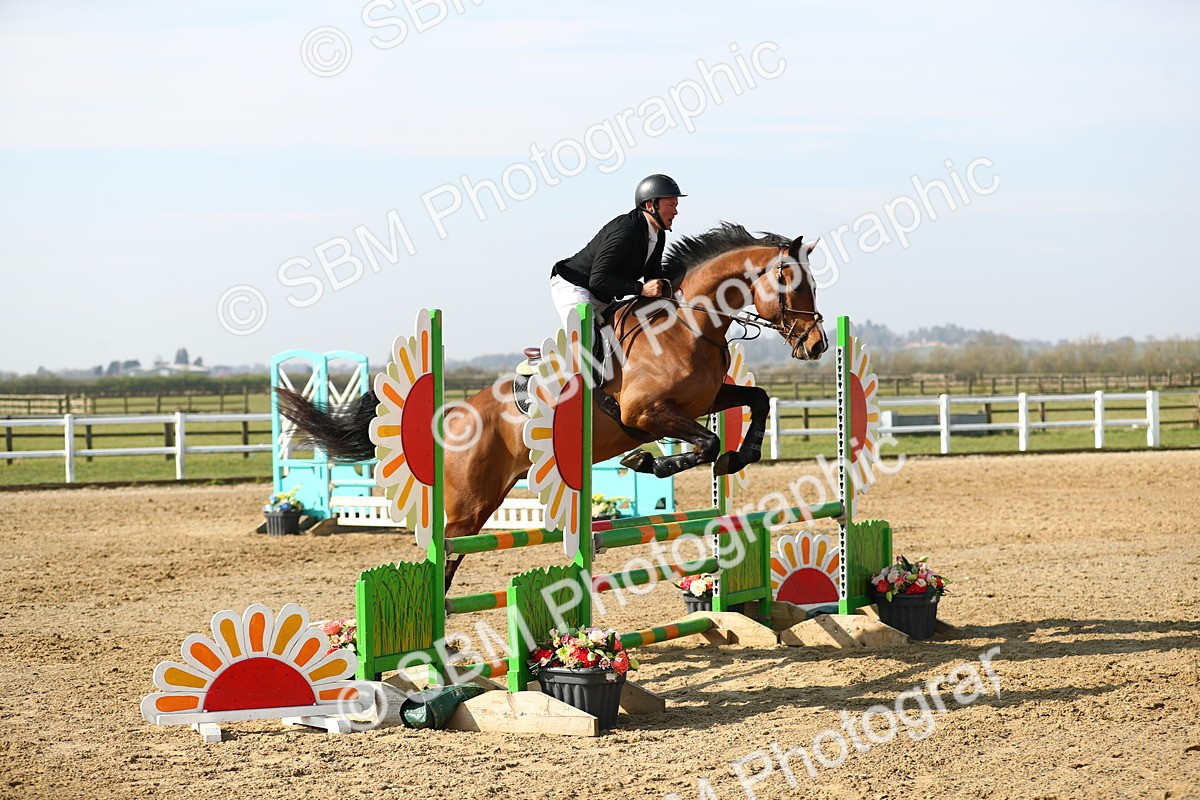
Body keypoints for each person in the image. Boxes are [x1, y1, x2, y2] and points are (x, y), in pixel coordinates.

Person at [548, 174, 686, 328]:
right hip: (574, 287)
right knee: (588, 342)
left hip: (603, 297)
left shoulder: (658, 235)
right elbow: (598, 279)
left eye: (676, 205)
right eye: (671, 205)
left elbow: (653, 279)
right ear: (650, 206)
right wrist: (640, 289)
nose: (676, 212)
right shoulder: (626, 230)